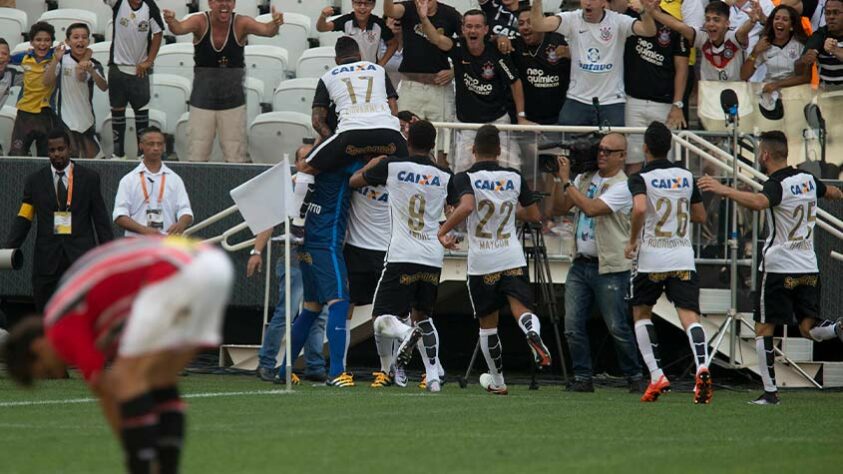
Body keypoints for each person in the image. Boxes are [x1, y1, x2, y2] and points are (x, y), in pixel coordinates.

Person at [2, 236, 234, 474]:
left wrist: (132, 445)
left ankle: (142, 466)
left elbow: (104, 389)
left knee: (125, 378)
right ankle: (167, 467)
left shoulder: (59, 323)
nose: (56, 371)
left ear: (37, 347)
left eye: (47, 370)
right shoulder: (84, 312)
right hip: (214, 265)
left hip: (176, 271)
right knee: (162, 380)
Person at [698, 131, 843, 405]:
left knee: (764, 328)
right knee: (807, 328)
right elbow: (832, 192)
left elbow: (759, 202)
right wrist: (836, 193)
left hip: (779, 268)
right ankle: (836, 328)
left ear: (764, 154)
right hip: (808, 266)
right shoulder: (808, 179)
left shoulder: (776, 184)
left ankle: (770, 393)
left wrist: (723, 189)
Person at [437, 124, 552, 395]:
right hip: (511, 254)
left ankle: (498, 381)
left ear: (473, 150)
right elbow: (534, 215)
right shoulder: (514, 176)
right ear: (500, 151)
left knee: (488, 327)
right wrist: (508, 208)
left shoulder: (464, 178)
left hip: (483, 261)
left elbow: (466, 207)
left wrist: (442, 230)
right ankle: (531, 333)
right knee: (521, 307)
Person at [349, 120, 452, 393]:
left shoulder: (392, 166)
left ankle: (405, 336)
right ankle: (432, 378)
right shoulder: (444, 174)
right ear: (433, 144)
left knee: (380, 318)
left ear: (409, 142)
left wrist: (375, 163)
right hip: (432, 256)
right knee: (424, 316)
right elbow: (456, 205)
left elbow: (354, 181)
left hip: (402, 254)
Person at [625, 121, 712, 404]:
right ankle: (702, 366)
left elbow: (639, 207)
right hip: (682, 256)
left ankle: (656, 374)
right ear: (670, 146)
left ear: (645, 148)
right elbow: (700, 216)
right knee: (689, 316)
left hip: (651, 258)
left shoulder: (640, 177)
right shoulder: (686, 175)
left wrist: (632, 240)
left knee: (641, 312)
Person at [551, 133, 644, 393]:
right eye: (600, 149)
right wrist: (560, 179)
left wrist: (568, 181)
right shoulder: (585, 177)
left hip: (611, 266)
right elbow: (559, 208)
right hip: (581, 262)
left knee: (616, 326)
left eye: (608, 151)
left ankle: (634, 375)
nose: (601, 154)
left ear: (622, 156)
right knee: (572, 324)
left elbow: (592, 208)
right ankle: (583, 377)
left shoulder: (624, 185)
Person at [290, 37, 406, 232]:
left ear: (336, 60)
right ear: (360, 55)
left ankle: (297, 226)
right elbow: (393, 108)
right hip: (389, 135)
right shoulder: (377, 70)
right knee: (416, 169)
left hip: (351, 136)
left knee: (304, 168)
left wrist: (336, 145)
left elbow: (317, 121)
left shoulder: (328, 77)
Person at [4, 128, 114, 312]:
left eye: (61, 149)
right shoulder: (34, 181)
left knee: (82, 314)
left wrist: (109, 253)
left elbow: (101, 220)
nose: (57, 154)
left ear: (69, 149)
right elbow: (24, 218)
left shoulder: (89, 178)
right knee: (47, 314)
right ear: (47, 152)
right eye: (52, 150)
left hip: (80, 258)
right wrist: (7, 249)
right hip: (47, 262)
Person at [163, 1, 284, 163]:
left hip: (232, 102)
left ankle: (233, 187)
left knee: (235, 156)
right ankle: (196, 187)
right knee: (197, 154)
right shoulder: (200, 21)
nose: (224, 4)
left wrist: (276, 23)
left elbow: (268, 31)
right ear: (210, 3)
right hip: (202, 101)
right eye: (219, 0)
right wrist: (171, 20)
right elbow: (179, 28)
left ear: (234, 4)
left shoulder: (241, 22)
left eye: (229, 0)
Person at [247, 144, 328, 384]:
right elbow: (268, 222)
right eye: (303, 158)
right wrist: (256, 250)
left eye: (310, 158)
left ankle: (314, 365)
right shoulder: (289, 186)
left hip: (317, 257)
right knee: (288, 311)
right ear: (296, 163)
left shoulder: (322, 185)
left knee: (318, 314)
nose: (307, 162)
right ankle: (267, 362)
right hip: (293, 256)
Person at [417, 2, 528, 172]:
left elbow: (515, 82)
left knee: (510, 168)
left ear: (485, 29)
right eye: (468, 26)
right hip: (466, 124)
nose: (473, 31)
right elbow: (436, 39)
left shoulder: (497, 51)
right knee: (461, 171)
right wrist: (424, 18)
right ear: (462, 29)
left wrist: (521, 116)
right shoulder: (458, 47)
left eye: (477, 26)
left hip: (497, 121)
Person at [529, 0, 658, 127]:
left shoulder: (618, 21)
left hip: (612, 100)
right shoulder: (571, 19)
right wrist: (537, 2)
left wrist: (643, 11)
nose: (588, 3)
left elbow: (649, 31)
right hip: (577, 99)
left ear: (603, 3)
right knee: (569, 143)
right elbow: (538, 25)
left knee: (614, 144)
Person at [383, 0, 461, 159]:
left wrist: (455, 71)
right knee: (404, 137)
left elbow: (467, 45)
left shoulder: (450, 14)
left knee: (443, 144)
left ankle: (442, 179)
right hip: (411, 87)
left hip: (440, 88)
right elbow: (390, 11)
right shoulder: (408, 8)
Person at [623, 5, 689, 175]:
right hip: (633, 100)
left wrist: (677, 104)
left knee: (664, 161)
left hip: (664, 104)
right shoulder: (627, 17)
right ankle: (633, 200)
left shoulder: (674, 25)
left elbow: (682, 69)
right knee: (633, 160)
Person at [104, 0, 164, 159]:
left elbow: (158, 34)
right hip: (117, 67)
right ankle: (118, 154)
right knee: (117, 111)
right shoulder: (118, 3)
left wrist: (149, 61)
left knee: (142, 114)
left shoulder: (150, 6)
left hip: (140, 71)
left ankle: (142, 155)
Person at [113, 127, 194, 237]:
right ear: (141, 146)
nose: (156, 148)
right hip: (136, 242)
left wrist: (181, 224)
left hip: (165, 241)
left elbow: (185, 210)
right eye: (151, 144)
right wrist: (143, 230)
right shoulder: (129, 180)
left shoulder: (174, 179)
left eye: (159, 144)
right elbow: (119, 215)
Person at [44, 23, 108, 159]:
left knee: (96, 160)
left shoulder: (93, 63)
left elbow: (104, 86)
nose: (80, 40)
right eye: (76, 37)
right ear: (68, 41)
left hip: (87, 120)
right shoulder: (62, 59)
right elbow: (46, 81)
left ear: (89, 41)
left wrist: (92, 71)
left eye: (84, 37)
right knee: (66, 159)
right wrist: (56, 60)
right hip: (64, 119)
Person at [651, 1, 752, 82]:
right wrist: (653, 13)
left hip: (737, 92)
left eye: (716, 20)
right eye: (708, 19)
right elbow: (680, 27)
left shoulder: (734, 36)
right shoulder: (702, 36)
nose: (711, 24)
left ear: (727, 23)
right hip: (708, 94)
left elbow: (743, 31)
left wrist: (753, 21)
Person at [511, 7, 570, 125]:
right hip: (527, 119)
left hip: (557, 118)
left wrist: (570, 54)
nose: (525, 27)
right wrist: (499, 38)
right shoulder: (515, 45)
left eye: (530, 22)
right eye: (521, 24)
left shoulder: (558, 41)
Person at [7, 22, 58, 157]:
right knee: (17, 154)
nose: (42, 44)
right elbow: (6, 58)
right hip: (25, 114)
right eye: (38, 40)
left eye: (47, 40)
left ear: (52, 42)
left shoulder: (56, 57)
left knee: (47, 157)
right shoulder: (23, 57)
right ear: (31, 42)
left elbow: (76, 52)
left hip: (46, 114)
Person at [317, 0, 398, 65]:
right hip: (350, 68)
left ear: (373, 5)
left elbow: (393, 44)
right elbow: (322, 28)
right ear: (352, 3)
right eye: (358, 3)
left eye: (367, 3)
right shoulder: (346, 20)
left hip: (370, 69)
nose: (362, 7)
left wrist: (381, 64)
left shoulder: (379, 23)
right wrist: (323, 16)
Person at [797, 0, 843, 87]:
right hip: (827, 94)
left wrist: (835, 50)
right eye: (827, 13)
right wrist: (805, 60)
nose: (831, 17)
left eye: (836, 13)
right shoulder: (820, 35)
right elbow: (801, 69)